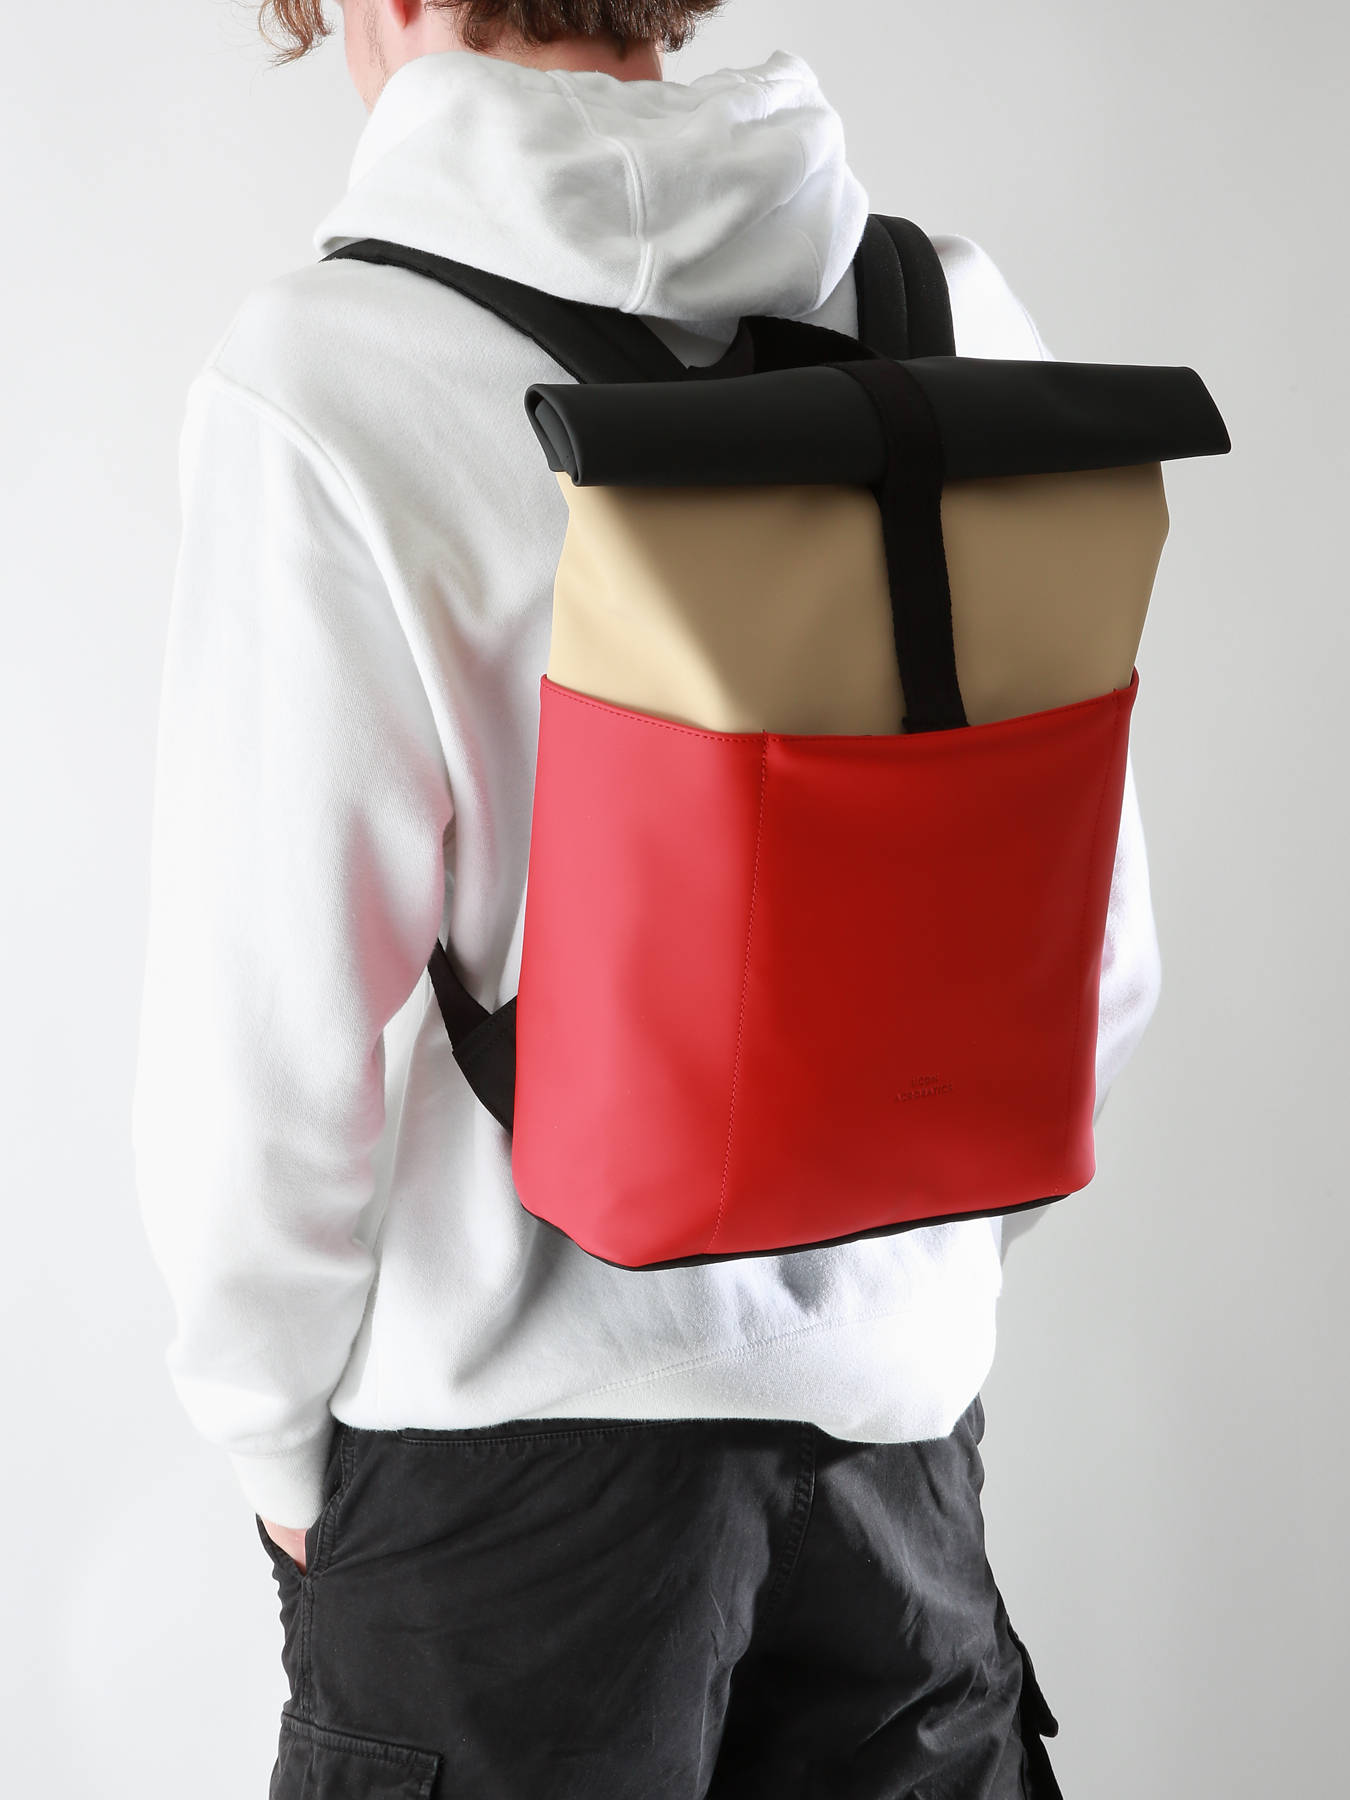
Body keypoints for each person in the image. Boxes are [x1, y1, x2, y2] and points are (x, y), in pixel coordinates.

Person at [131, 2, 1161, 1793]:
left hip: (500, 1512)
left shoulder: (324, 374)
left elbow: (266, 1036)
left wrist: (269, 1440)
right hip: (896, 1478)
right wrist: (880, 1281)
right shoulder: (951, 316)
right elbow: (1094, 953)